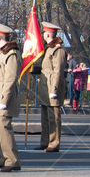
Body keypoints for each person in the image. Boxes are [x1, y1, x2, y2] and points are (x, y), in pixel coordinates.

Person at [0, 23, 22, 172]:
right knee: (1, 130)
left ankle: (12, 160)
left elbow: (10, 79)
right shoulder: (2, 53)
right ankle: (2, 158)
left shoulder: (11, 54)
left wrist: (4, 100)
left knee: (5, 129)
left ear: (0, 37)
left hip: (5, 99)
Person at [36, 22, 67, 153]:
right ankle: (45, 141)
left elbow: (58, 71)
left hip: (52, 87)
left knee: (53, 117)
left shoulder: (58, 50)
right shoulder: (48, 48)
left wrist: (54, 90)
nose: (43, 35)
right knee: (45, 117)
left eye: (44, 33)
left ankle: (54, 143)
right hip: (44, 86)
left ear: (48, 34)